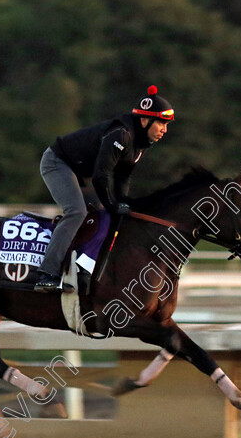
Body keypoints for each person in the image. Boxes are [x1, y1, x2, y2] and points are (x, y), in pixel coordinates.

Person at [35, 85, 175, 293]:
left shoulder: (139, 145)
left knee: (113, 215)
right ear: (145, 120)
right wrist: (113, 205)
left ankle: (85, 268)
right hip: (57, 162)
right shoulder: (122, 135)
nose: (165, 129)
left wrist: (124, 204)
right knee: (77, 212)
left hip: (79, 169)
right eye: (162, 123)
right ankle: (47, 273)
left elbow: (122, 179)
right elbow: (101, 176)